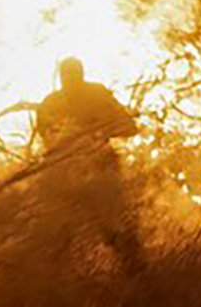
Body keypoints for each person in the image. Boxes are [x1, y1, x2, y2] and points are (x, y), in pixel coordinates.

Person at [33, 57, 144, 273]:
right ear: (61, 78)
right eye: (66, 76)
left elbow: (130, 128)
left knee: (117, 229)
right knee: (59, 236)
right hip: (64, 176)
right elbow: (47, 142)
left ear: (82, 75)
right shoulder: (50, 104)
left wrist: (100, 132)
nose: (70, 81)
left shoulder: (98, 95)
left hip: (101, 171)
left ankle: (139, 278)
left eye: (74, 75)